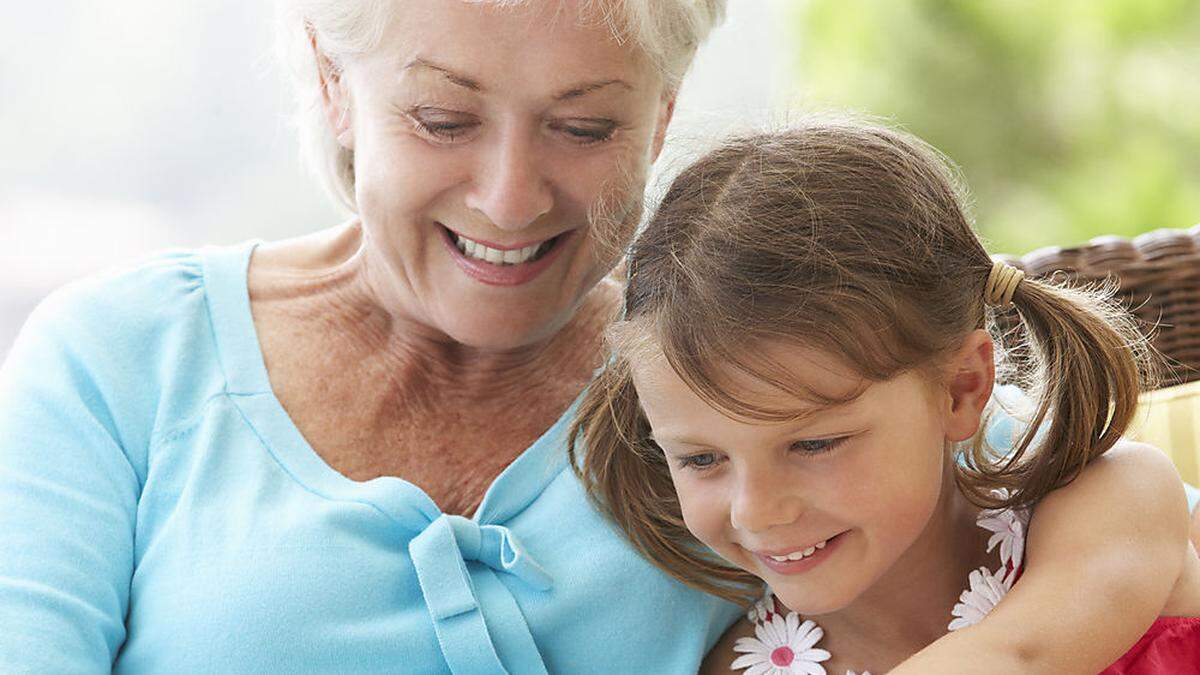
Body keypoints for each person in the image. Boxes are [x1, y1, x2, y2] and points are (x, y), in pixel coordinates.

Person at [0, 1, 745, 672]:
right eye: (444, 119)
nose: (511, 200)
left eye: (585, 128)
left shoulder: (742, 388)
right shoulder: (119, 355)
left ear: (662, 116)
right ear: (333, 84)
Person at [571, 120, 1200, 673]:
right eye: (701, 459)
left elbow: (1019, 658)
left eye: (813, 443)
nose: (757, 512)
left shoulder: (1113, 500)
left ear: (961, 390)